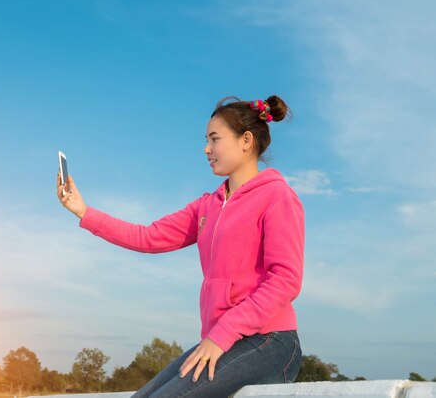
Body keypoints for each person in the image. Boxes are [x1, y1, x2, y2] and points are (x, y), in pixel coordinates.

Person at [56, 95, 305, 398]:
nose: (206, 149)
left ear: (246, 140)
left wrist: (223, 334)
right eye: (206, 140)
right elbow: (147, 237)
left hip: (269, 341)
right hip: (222, 340)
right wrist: (84, 211)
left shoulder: (277, 196)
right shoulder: (206, 206)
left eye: (214, 139)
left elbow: (285, 281)